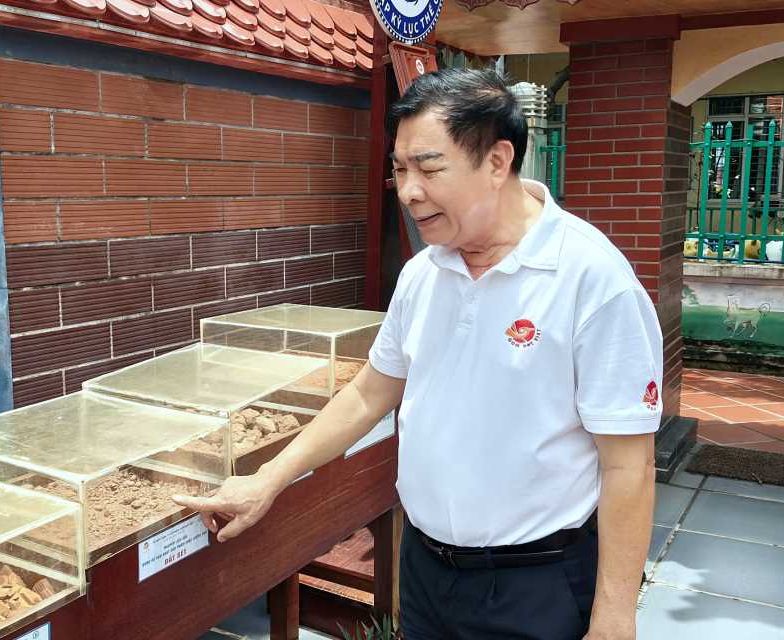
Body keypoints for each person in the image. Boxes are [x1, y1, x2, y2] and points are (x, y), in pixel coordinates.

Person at [174, 68, 662, 640]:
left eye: (429, 169)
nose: (408, 190)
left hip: (535, 583)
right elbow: (368, 394)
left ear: (497, 162)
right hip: (427, 570)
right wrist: (268, 479)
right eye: (400, 169)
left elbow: (628, 464)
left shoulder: (591, 278)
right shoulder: (423, 273)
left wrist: (614, 617)